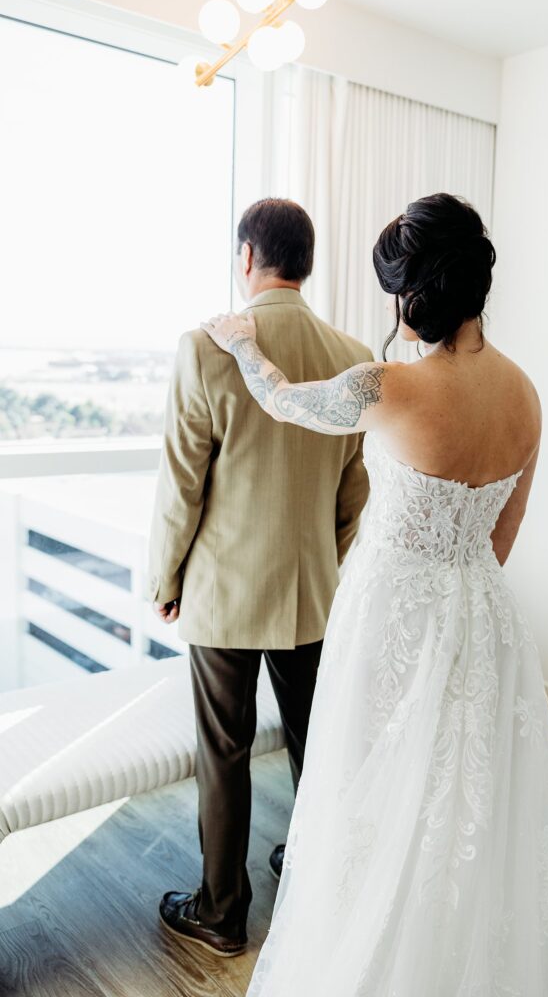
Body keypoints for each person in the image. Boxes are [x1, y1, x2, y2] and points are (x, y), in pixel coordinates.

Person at [201, 193, 548, 995]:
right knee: (467, 804)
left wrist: (243, 347)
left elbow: (283, 402)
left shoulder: (387, 387)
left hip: (391, 614)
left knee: (371, 793)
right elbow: (505, 533)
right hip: (484, 615)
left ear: (413, 293)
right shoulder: (525, 394)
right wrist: (460, 576)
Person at [148, 198, 373, 957]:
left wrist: (165, 578)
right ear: (303, 262)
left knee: (226, 751)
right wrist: (323, 556)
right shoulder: (350, 352)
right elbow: (353, 488)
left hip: (225, 593)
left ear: (248, 257)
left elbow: (181, 482)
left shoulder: (204, 345)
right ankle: (312, 871)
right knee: (316, 740)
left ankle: (221, 911)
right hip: (312, 591)